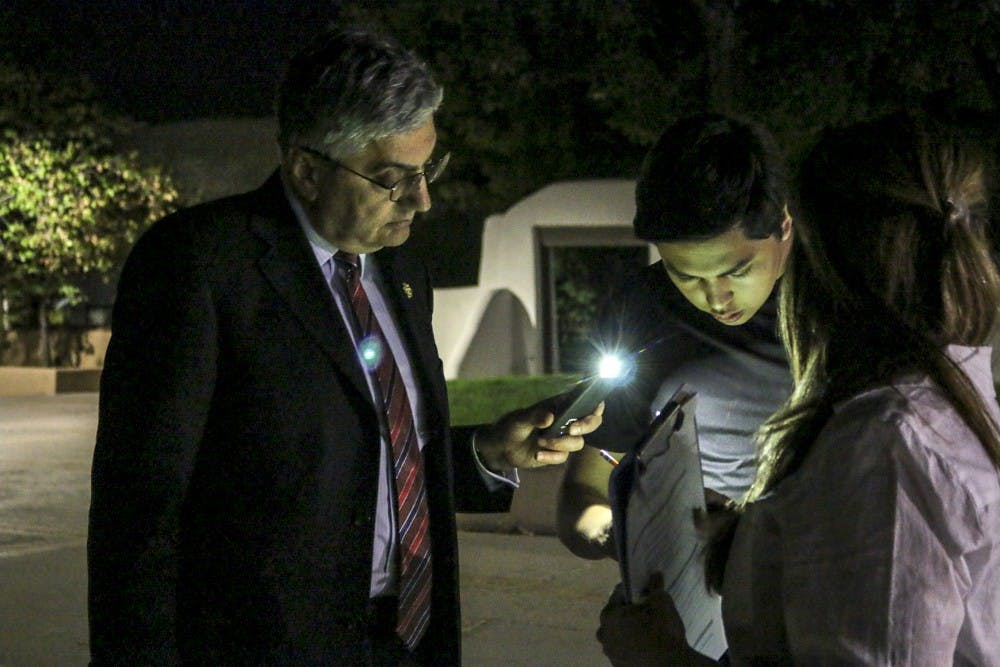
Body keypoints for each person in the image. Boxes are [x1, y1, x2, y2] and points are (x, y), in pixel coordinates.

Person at [87, 26, 601, 666]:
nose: (423, 199)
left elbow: (380, 454)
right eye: (394, 177)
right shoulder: (198, 267)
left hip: (408, 640)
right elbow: (139, 508)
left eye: (428, 168)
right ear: (306, 169)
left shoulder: (400, 268)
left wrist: (486, 450)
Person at [598, 113, 1000, 665]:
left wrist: (661, 657)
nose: (718, 297)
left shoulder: (890, 447)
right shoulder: (940, 383)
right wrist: (753, 543)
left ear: (819, 250)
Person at [557, 113, 793, 561]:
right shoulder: (644, 308)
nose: (715, 297)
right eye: (684, 275)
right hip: (683, 593)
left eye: (736, 271)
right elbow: (587, 485)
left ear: (783, 225)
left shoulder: (839, 304)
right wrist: (619, 534)